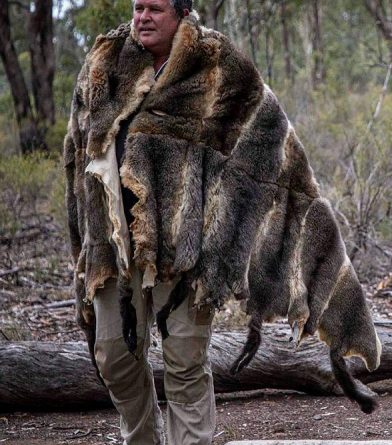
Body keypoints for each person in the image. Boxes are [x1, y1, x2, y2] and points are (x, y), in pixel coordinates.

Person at [62, 0, 340, 443]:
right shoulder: (106, 62)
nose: (142, 17)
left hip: (188, 249)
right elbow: (77, 153)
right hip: (113, 245)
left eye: (155, 8)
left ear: (182, 12)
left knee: (185, 361)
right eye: (138, 7)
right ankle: (142, 437)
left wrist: (236, 224)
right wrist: (82, 238)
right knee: (113, 355)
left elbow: (269, 141)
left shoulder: (215, 62)